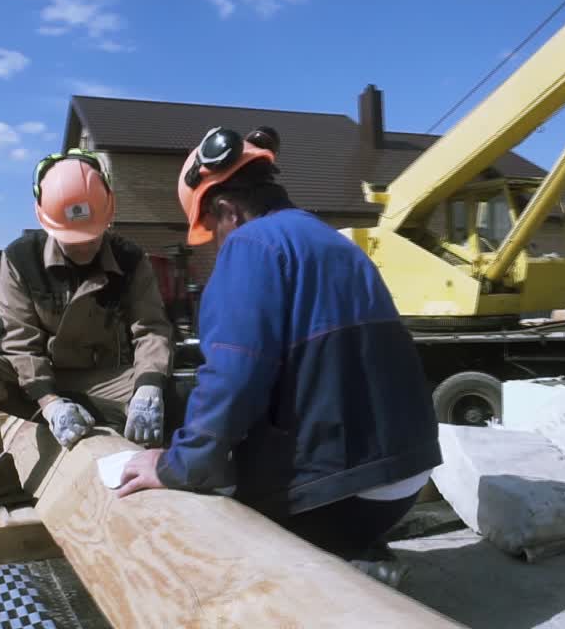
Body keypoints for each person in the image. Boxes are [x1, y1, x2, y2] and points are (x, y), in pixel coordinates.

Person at [116, 126, 441, 580]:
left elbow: (231, 380)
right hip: (405, 476)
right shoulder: (337, 245)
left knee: (211, 514)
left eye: (212, 229)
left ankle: (340, 566)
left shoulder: (251, 246)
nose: (216, 244)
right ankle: (355, 549)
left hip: (341, 491)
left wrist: (174, 466)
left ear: (227, 210)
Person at [0, 148, 173, 515]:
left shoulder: (129, 259)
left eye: (92, 236)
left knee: (184, 396)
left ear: (108, 215)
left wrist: (149, 387)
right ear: (45, 221)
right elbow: (19, 340)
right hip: (37, 385)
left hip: (105, 383)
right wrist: (50, 403)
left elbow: (151, 328)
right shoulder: (21, 259)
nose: (83, 245)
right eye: (71, 237)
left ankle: (172, 496)